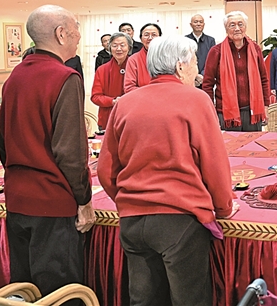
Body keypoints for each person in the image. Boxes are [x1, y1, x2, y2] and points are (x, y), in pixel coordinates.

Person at [98, 35, 237, 306]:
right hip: (180, 220)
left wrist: (129, 198)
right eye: (195, 62)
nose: (197, 69)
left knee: (144, 300)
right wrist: (223, 208)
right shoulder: (196, 99)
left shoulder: (125, 103)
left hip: (132, 220)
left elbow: (106, 169)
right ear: (180, 66)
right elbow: (214, 163)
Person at [0, 5, 95, 300]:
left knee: (24, 290)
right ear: (61, 33)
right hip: (53, 203)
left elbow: (3, 141)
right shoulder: (65, 77)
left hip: (17, 199)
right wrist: (84, 199)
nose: (79, 36)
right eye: (76, 28)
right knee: (59, 294)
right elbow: (70, 152)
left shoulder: (15, 75)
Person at [202, 11, 269, 131]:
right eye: (232, 25)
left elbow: (264, 79)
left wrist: (266, 106)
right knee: (230, 148)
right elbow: (207, 84)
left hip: (252, 112)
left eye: (240, 24)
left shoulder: (255, 49)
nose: (237, 28)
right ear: (226, 29)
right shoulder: (216, 51)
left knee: (253, 147)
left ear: (245, 27)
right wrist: (211, 110)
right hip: (226, 113)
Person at [91, 32, 132, 130]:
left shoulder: (137, 67)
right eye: (114, 45)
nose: (119, 49)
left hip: (132, 116)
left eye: (122, 45)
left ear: (129, 48)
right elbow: (95, 96)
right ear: (109, 48)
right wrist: (113, 101)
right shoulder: (102, 70)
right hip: (108, 118)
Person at [124, 23, 161, 93]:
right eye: (146, 35)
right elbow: (129, 87)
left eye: (154, 35)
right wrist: (150, 93)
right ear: (141, 39)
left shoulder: (168, 57)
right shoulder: (133, 59)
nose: (150, 38)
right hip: (142, 99)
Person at [185, 14, 216, 88]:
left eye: (201, 22)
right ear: (191, 24)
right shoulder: (185, 40)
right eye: (195, 22)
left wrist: (202, 75)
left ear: (204, 24)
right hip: (189, 79)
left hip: (206, 79)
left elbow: (212, 61)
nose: (198, 24)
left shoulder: (211, 40)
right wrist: (194, 75)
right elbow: (183, 60)